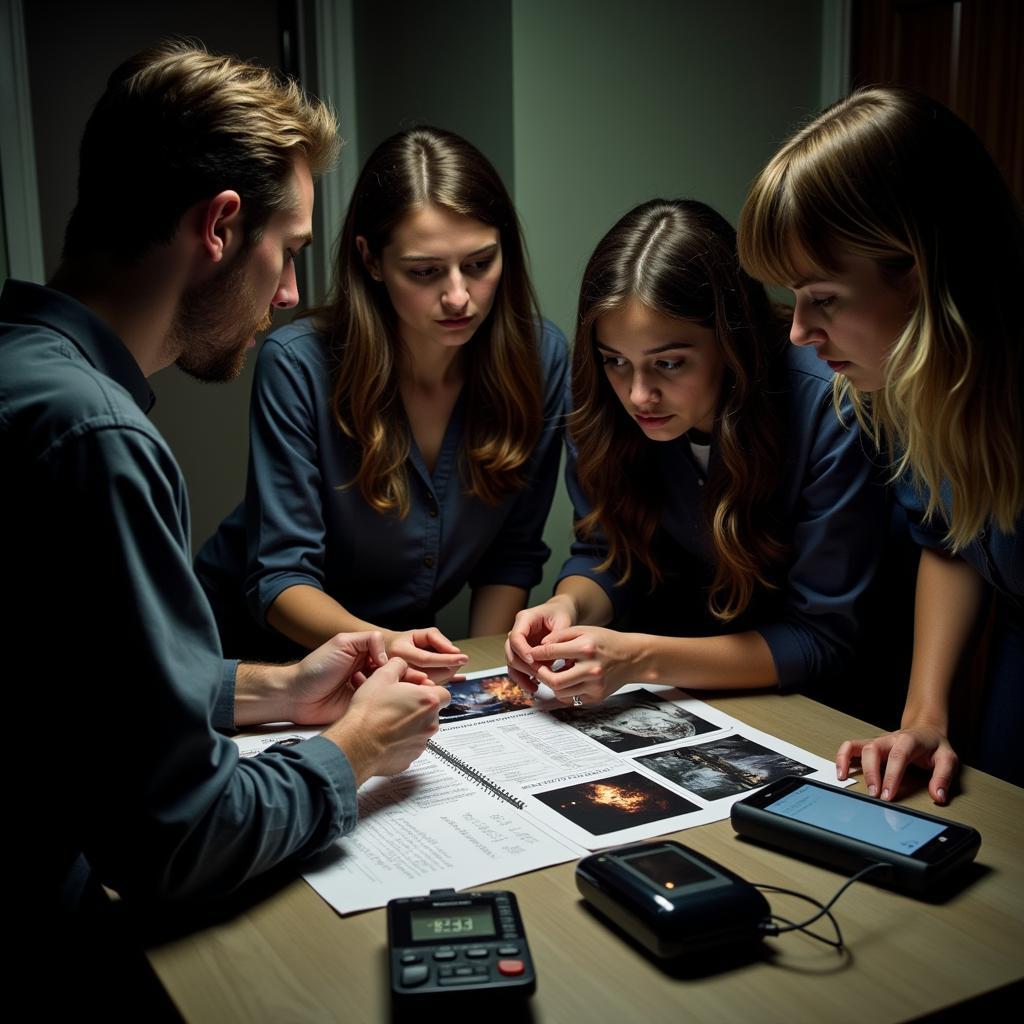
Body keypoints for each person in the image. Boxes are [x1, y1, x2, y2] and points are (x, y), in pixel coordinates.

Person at [2, 40, 451, 938]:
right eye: (286, 252)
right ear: (219, 227)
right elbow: (178, 844)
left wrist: (279, 690)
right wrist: (353, 746)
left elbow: (73, 692)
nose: (288, 294)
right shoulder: (96, 438)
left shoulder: (25, 378)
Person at [195, 126, 567, 676]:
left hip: (393, 668)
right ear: (371, 260)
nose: (458, 296)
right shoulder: (298, 365)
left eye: (481, 263)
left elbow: (510, 557)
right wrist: (389, 648)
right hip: (253, 660)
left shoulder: (540, 359)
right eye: (424, 272)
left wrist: (488, 684)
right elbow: (281, 580)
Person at [738, 86, 1023, 798]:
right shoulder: (911, 385)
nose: (799, 332)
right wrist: (925, 715)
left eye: (824, 298)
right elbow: (951, 537)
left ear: (921, 276)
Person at [505, 199, 886, 705]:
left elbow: (821, 638)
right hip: (669, 695)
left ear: (731, 342)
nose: (639, 395)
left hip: (813, 705)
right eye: (616, 361)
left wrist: (638, 658)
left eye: (669, 363)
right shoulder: (601, 398)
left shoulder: (826, 404)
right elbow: (606, 553)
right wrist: (567, 606)